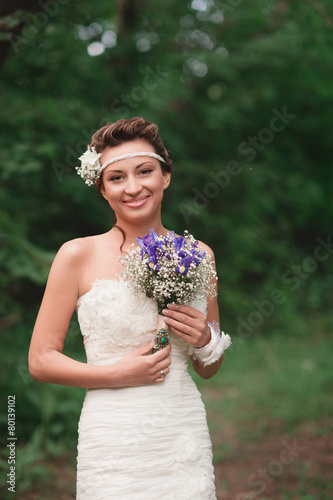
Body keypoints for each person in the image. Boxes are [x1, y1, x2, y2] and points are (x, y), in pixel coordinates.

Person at [28, 117, 231, 499]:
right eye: (117, 177)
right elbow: (40, 360)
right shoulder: (76, 255)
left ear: (165, 176)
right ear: (102, 189)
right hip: (113, 433)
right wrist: (117, 373)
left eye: (144, 171)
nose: (133, 187)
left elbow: (209, 367)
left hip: (180, 429)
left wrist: (205, 339)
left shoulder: (199, 255)